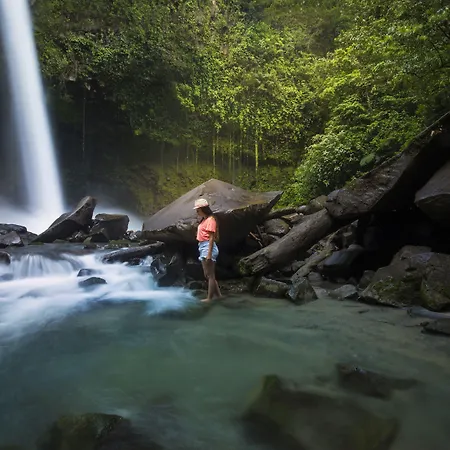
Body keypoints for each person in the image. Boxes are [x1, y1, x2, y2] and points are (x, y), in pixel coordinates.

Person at [194, 198, 222, 302]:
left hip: (208, 247)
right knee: (208, 275)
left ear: (203, 209)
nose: (197, 212)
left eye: (198, 210)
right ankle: (219, 296)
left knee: (210, 275)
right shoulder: (204, 220)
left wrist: (209, 254)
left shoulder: (210, 220)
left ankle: (209, 298)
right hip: (203, 246)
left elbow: (211, 238)